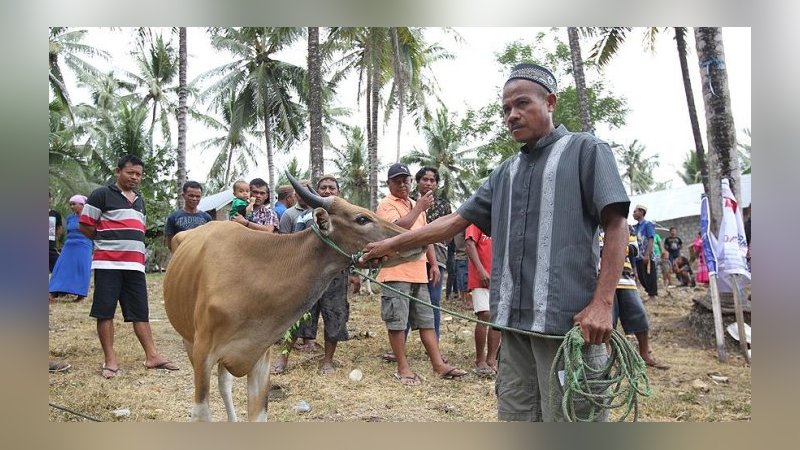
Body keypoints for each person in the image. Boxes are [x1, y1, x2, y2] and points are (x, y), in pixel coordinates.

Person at [360, 63, 630, 421]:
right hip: (513, 328)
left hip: (567, 327)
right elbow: (454, 222)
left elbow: (616, 223)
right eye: (506, 109)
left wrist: (602, 304)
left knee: (573, 421)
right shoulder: (504, 173)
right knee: (516, 417)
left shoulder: (586, 150)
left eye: (522, 104)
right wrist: (388, 245)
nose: (512, 115)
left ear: (550, 102)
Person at [80, 154, 178, 379]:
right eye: (130, 172)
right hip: (108, 263)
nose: (135, 177)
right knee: (105, 311)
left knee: (140, 312)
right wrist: (106, 242)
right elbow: (86, 226)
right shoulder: (101, 194)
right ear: (118, 171)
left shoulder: (139, 199)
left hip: (135, 265)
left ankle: (152, 356)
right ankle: (110, 360)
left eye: (139, 174)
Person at [376, 162, 466, 386]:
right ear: (389, 184)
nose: (402, 184)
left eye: (405, 179)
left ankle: (438, 364)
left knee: (427, 320)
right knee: (397, 322)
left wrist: (433, 264)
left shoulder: (417, 205)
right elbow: (397, 231)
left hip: (418, 272)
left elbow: (425, 238)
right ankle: (403, 368)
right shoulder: (385, 205)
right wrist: (418, 209)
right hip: (395, 272)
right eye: (397, 180)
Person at [273, 175, 350, 375]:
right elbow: (294, 246)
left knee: (334, 315)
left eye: (331, 187)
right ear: (316, 192)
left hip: (335, 275)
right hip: (307, 276)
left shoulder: (345, 217)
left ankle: (327, 360)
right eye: (323, 187)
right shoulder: (303, 216)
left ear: (338, 192)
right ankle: (283, 358)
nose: (327, 191)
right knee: (296, 315)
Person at [605, 229, 669, 370]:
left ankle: (644, 354)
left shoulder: (627, 227)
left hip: (625, 276)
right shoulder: (594, 224)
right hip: (602, 278)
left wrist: (608, 247)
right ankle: (607, 358)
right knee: (608, 319)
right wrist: (617, 246)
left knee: (639, 314)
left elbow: (634, 249)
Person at [411, 167, 452, 340]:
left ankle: (433, 341)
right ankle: (400, 343)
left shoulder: (443, 205)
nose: (428, 183)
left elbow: (449, 230)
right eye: (425, 179)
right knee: (408, 297)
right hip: (412, 254)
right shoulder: (409, 201)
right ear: (418, 181)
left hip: (438, 255)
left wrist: (437, 241)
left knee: (434, 299)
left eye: (432, 180)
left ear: (436, 184)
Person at [464, 223, 500, 377]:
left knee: (497, 318)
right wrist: (481, 270)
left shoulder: (502, 219)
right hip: (481, 277)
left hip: (498, 277)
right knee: (485, 315)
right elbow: (469, 243)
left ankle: (492, 359)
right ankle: (480, 359)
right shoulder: (477, 220)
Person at [48, 194, 93, 302]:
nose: (72, 206)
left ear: (82, 205)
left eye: (74, 204)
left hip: (84, 245)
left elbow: (93, 232)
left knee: (81, 269)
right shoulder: (70, 217)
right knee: (61, 267)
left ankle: (80, 295)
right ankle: (54, 291)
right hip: (69, 245)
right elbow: (67, 231)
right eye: (70, 204)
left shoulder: (89, 217)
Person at [164, 181, 212, 252]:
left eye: (198, 196)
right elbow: (170, 244)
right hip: (182, 258)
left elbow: (209, 242)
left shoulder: (207, 218)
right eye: (191, 195)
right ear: (183, 196)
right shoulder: (173, 217)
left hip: (201, 259)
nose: (194, 199)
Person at [632, 205, 658, 298]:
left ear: (642, 212)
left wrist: (647, 254)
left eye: (635, 211)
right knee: (641, 277)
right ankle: (649, 292)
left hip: (647, 255)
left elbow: (651, 239)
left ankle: (653, 295)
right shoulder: (635, 227)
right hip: (638, 256)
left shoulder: (648, 224)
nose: (633, 214)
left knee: (649, 275)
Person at [49, 191, 64, 273]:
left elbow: (59, 229)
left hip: (51, 247)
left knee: (57, 270)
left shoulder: (55, 214)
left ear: (50, 199)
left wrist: (56, 241)